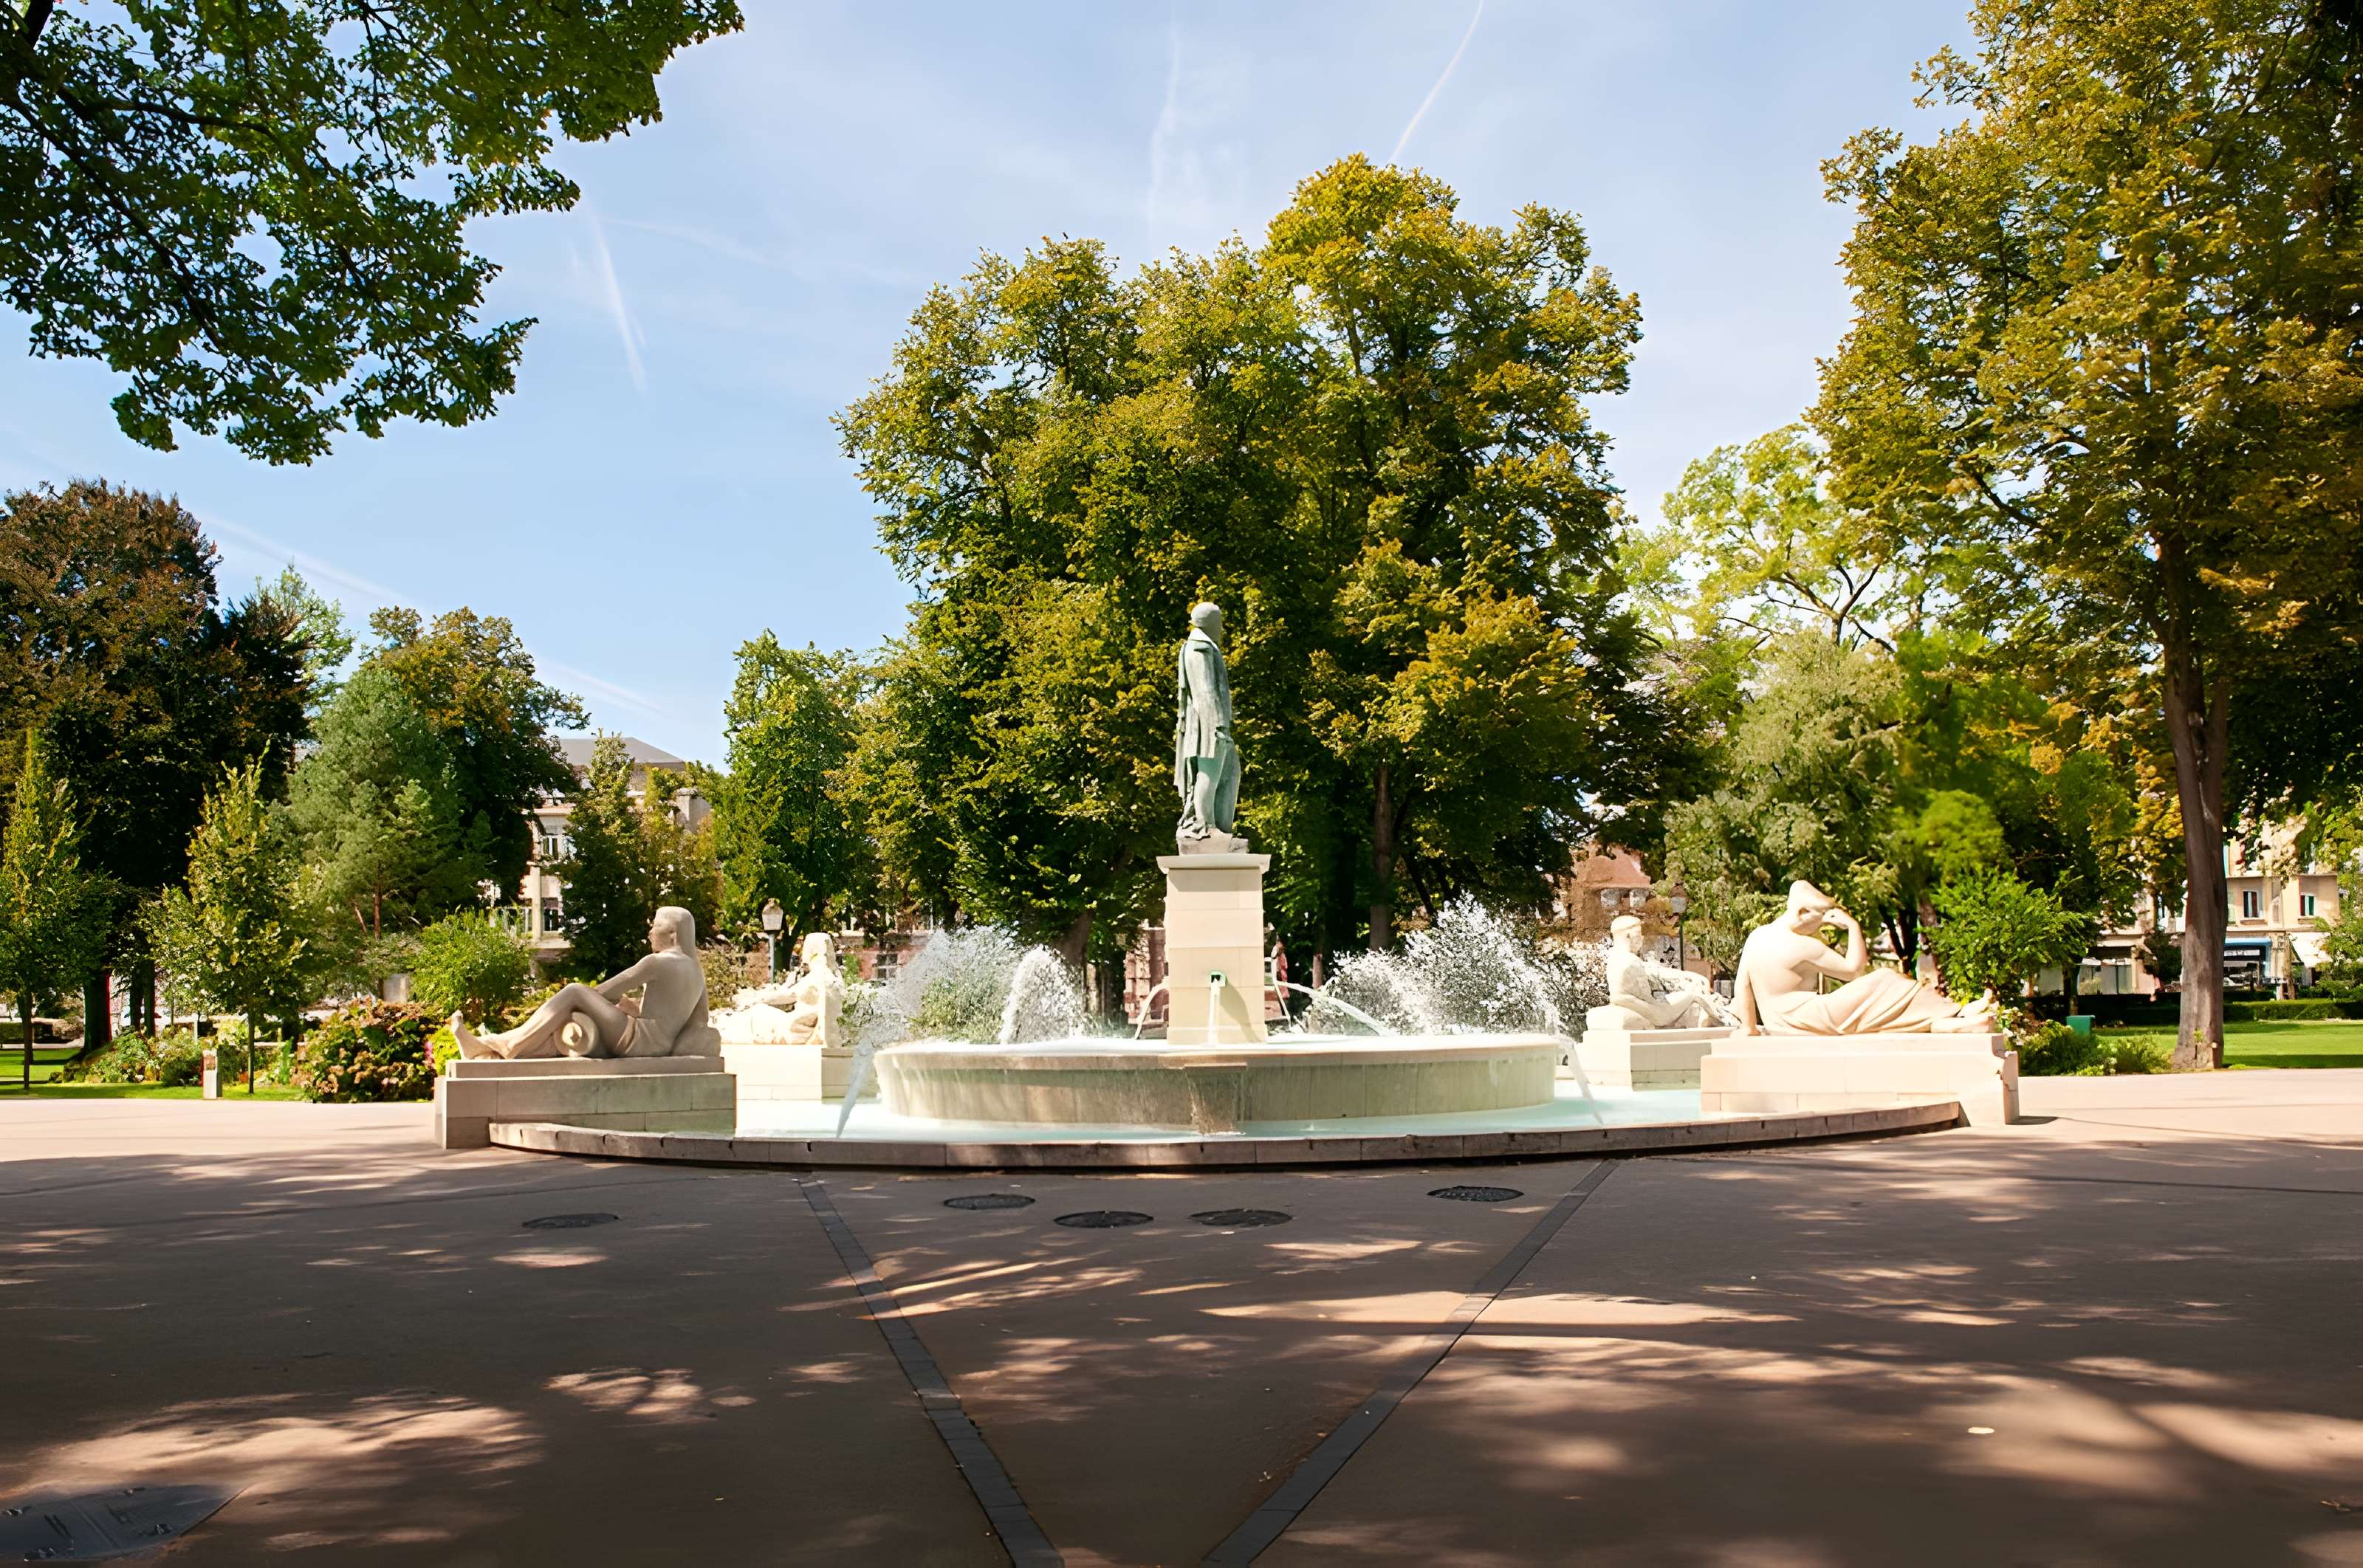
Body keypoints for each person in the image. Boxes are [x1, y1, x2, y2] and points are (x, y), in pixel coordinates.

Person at [453, 905, 718, 1059]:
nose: (650, 931)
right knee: (571, 1033)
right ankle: (488, 1052)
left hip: (638, 1040)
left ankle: (507, 1045)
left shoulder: (657, 962)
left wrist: (597, 1003)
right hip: (657, 1045)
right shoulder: (697, 973)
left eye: (655, 926)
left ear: (672, 934)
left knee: (575, 993)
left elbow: (604, 991)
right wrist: (632, 1008)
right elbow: (696, 1024)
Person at [1733, 881, 1995, 1035]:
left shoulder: (1757, 936)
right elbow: (1854, 970)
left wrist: (1749, 1029)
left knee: (1882, 988)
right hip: (1806, 1018)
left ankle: (1948, 1016)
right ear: (1802, 912)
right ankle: (1950, 1016)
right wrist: (1852, 926)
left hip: (1783, 1021)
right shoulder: (1802, 946)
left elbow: (1742, 986)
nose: (1825, 923)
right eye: (1821, 917)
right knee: (1884, 979)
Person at [1599, 914, 1718, 1029]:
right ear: (1630, 936)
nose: (1642, 938)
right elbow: (1647, 998)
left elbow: (1651, 973)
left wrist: (1683, 977)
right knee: (1694, 995)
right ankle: (1720, 1023)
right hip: (1650, 1011)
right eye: (1640, 934)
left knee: (1677, 997)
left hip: (1630, 1003)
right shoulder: (1632, 961)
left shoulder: (1614, 958)